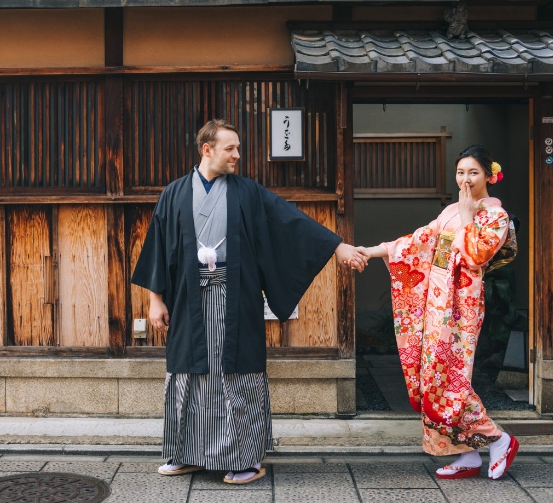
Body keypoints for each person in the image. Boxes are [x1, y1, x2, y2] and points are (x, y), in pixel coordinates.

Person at [131, 119, 366, 485]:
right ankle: (186, 452)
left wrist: (337, 247)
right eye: (230, 148)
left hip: (235, 296)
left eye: (237, 148)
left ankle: (244, 459)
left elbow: (291, 222)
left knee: (236, 374)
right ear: (207, 149)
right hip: (188, 298)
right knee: (187, 374)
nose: (237, 155)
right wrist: (155, 301)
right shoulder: (174, 194)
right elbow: (158, 251)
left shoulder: (247, 192)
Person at [357, 145, 519, 480]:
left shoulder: (495, 216)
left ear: (489, 176)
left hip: (461, 305)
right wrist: (371, 252)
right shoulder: (449, 212)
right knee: (431, 375)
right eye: (460, 172)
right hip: (435, 300)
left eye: (473, 172)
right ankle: (466, 454)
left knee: (451, 378)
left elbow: (476, 255)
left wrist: (467, 215)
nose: (465, 179)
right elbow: (417, 242)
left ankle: (499, 439)